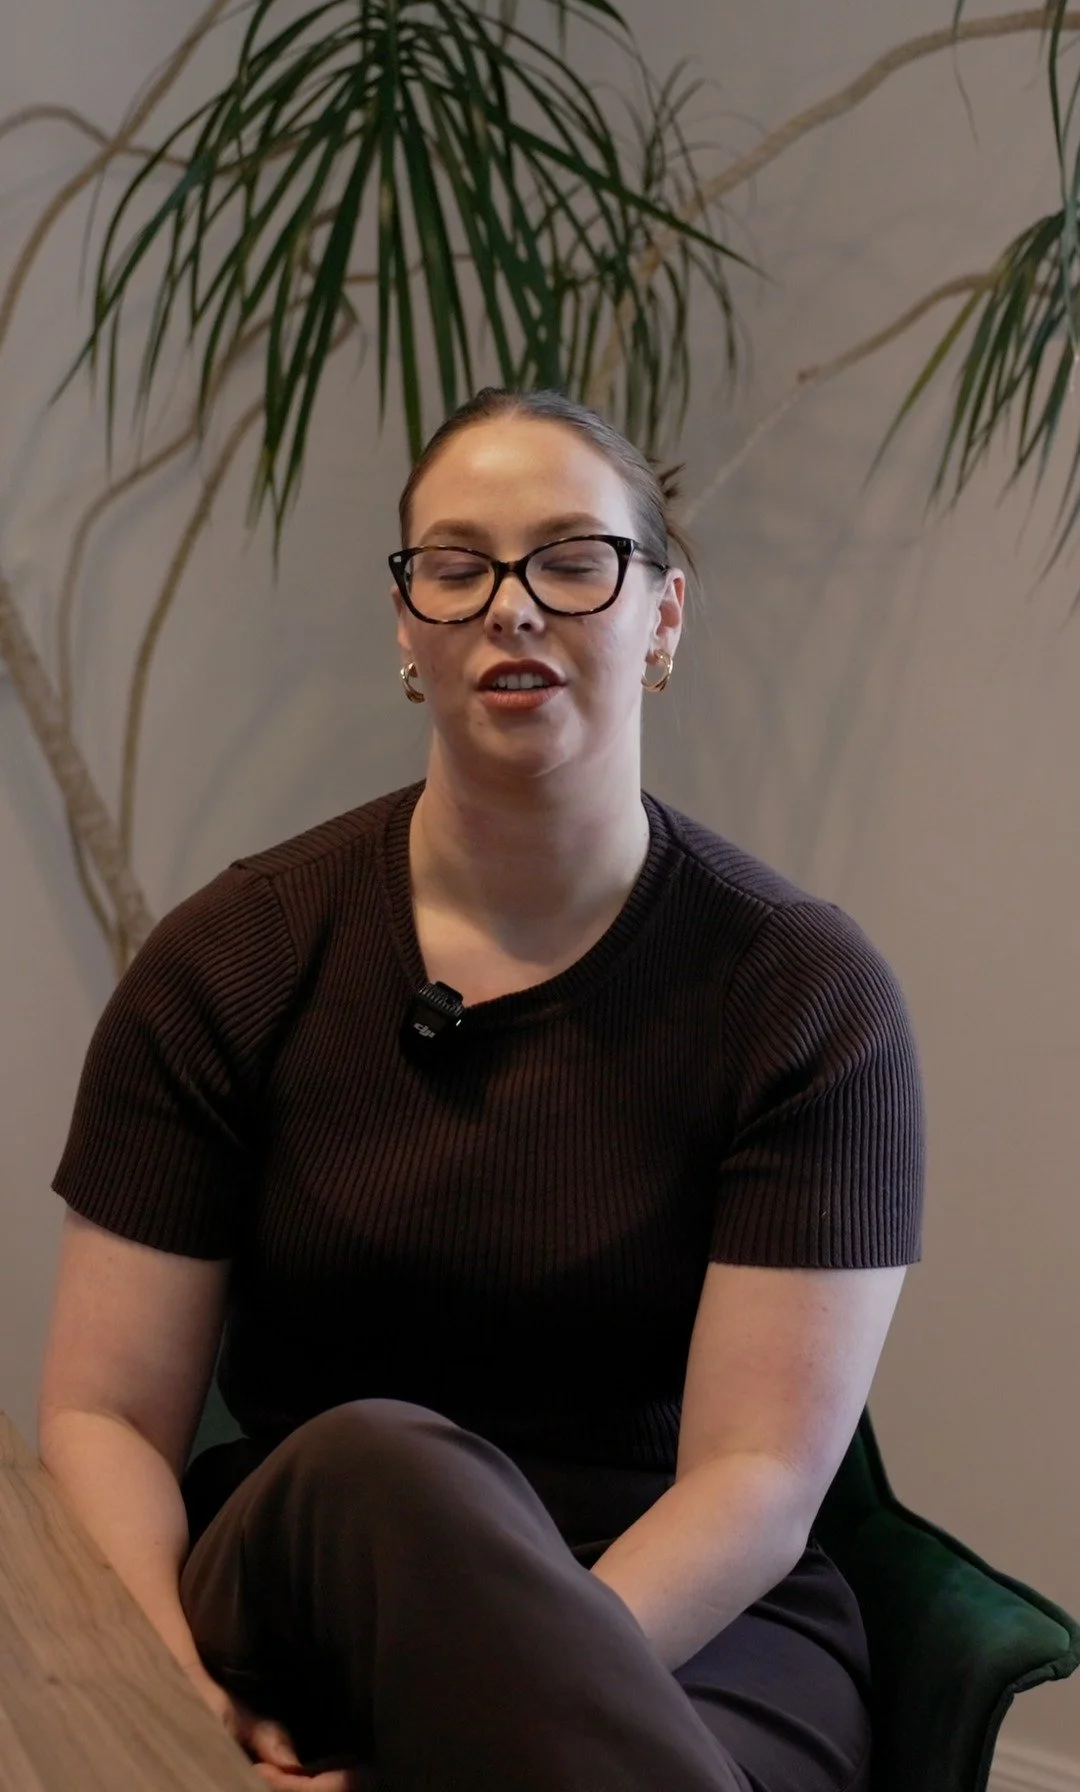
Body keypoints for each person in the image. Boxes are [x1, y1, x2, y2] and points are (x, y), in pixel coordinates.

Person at [39, 389, 924, 1792]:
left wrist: (484, 1722)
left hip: (686, 1621)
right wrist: (177, 1693)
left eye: (574, 561)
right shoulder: (233, 958)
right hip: (313, 1584)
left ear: (664, 616)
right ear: (409, 623)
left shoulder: (803, 993)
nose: (512, 606)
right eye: (456, 567)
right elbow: (104, 1418)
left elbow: (757, 1480)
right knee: (386, 1460)